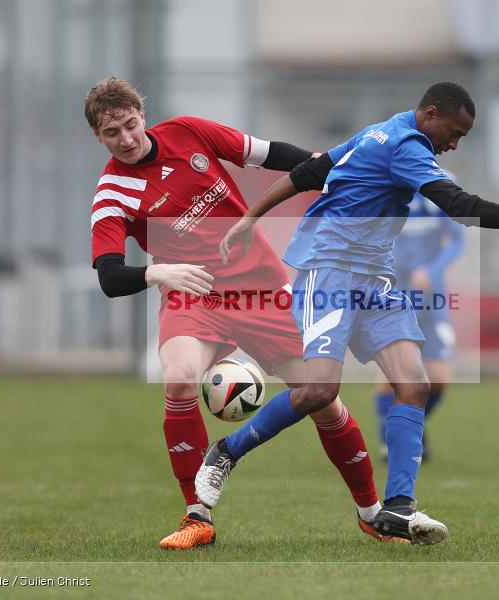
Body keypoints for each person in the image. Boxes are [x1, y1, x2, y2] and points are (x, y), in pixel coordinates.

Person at [197, 81, 499, 545]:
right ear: (430, 113)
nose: (454, 143)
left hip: (374, 277)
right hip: (330, 270)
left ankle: (398, 508)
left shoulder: (378, 132)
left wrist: (249, 219)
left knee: (414, 385)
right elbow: (461, 207)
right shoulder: (406, 145)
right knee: (319, 390)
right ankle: (226, 451)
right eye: (454, 131)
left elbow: (306, 172)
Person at [84, 76, 382, 550]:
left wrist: (329, 167)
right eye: (111, 134)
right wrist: (158, 274)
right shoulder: (111, 193)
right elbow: (108, 276)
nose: (125, 139)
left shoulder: (189, 133)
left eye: (130, 125)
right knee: (180, 377)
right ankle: (196, 517)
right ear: (98, 137)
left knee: (322, 398)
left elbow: (270, 154)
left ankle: (372, 514)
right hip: (193, 293)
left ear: (142, 115)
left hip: (259, 285)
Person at [373, 188, 464, 463]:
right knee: (393, 376)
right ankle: (392, 441)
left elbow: (458, 240)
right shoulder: (386, 186)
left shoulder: (442, 185)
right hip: (394, 294)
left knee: (438, 378)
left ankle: (408, 429)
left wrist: (432, 271)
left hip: (431, 296)